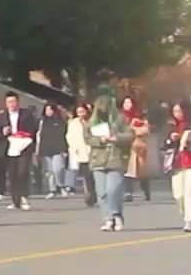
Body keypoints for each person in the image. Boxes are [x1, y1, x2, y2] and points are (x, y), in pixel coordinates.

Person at [86, 97, 129, 231]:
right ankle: (108, 218)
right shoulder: (92, 122)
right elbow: (87, 138)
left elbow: (130, 135)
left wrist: (117, 138)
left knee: (113, 190)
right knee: (102, 192)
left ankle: (117, 215)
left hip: (115, 159)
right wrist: (99, 140)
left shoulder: (120, 119)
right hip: (97, 160)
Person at [164, 103, 191, 232]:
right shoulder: (170, 125)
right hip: (175, 162)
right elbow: (163, 144)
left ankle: (190, 220)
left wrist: (188, 142)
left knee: (189, 192)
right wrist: (170, 139)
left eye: (179, 111)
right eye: (175, 111)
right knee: (178, 194)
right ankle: (184, 213)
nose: (177, 114)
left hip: (190, 161)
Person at [0, 93, 37, 210]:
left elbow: (33, 129)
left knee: (22, 172)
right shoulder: (2, 116)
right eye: (9, 102)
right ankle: (15, 200)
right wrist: (3, 131)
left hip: (24, 146)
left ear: (18, 102)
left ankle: (24, 197)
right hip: (9, 147)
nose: (11, 104)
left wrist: (26, 137)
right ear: (6, 103)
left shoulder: (26, 114)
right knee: (12, 173)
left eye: (13, 102)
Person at [121, 96, 154, 202]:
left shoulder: (140, 116)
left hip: (139, 147)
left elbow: (145, 130)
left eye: (129, 102)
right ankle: (127, 192)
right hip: (125, 147)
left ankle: (146, 191)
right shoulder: (120, 117)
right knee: (127, 171)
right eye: (125, 102)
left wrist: (132, 128)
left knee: (142, 172)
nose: (127, 105)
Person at [37, 104, 69, 198]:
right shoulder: (42, 122)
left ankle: (61, 185)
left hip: (58, 149)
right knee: (49, 171)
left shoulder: (60, 122)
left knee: (58, 169)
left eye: (51, 110)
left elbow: (63, 136)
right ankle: (52, 189)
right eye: (47, 110)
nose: (49, 112)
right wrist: (38, 151)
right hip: (46, 149)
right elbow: (40, 137)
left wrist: (64, 149)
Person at [66, 103, 95, 208]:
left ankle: (94, 193)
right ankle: (90, 195)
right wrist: (73, 148)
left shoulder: (93, 121)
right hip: (81, 152)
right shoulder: (73, 123)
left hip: (93, 151)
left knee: (93, 175)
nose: (81, 114)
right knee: (86, 176)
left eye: (83, 112)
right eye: (78, 112)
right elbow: (69, 137)